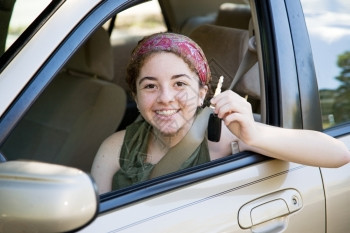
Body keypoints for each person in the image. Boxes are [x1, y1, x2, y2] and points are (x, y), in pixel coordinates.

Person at [91, 32, 350, 194]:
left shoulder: (225, 137)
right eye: (150, 86)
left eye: (180, 83)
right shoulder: (115, 148)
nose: (165, 98)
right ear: (135, 97)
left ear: (203, 92)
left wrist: (255, 134)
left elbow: (338, 154)